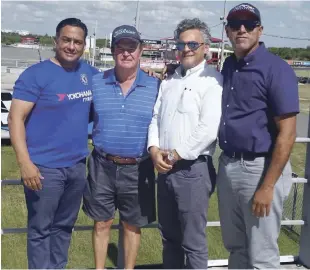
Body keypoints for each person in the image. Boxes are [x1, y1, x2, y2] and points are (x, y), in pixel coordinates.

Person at [8, 18, 99, 269]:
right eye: (66, 40)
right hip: (44, 169)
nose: (71, 46)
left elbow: (118, 85)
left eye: (77, 42)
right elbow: (16, 117)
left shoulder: (90, 74)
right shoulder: (36, 74)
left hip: (77, 166)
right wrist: (25, 163)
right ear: (56, 41)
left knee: (63, 228)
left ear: (84, 45)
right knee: (40, 230)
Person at [217, 3, 299, 268]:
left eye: (249, 24)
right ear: (227, 31)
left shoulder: (276, 68)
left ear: (260, 30)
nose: (242, 29)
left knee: (262, 255)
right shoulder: (229, 65)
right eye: (235, 24)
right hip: (228, 165)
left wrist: (267, 186)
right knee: (236, 248)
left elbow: (287, 133)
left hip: (259, 169)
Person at [82, 25, 160, 269]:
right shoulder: (97, 82)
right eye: (120, 48)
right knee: (101, 223)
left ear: (141, 51)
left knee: (131, 225)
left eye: (131, 48)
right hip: (102, 165)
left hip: (139, 167)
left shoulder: (156, 87)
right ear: (113, 50)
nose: (126, 53)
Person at [148, 18, 223, 269]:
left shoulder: (213, 80)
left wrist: (176, 154)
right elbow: (156, 118)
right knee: (169, 238)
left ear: (205, 47)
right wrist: (154, 149)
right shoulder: (169, 81)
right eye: (182, 43)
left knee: (193, 243)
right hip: (165, 170)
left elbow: (208, 129)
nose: (187, 48)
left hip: (192, 171)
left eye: (193, 43)